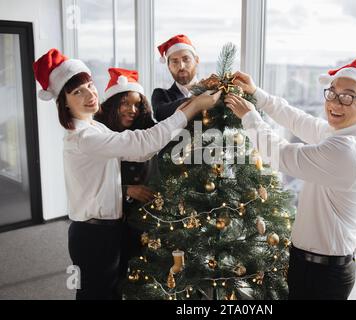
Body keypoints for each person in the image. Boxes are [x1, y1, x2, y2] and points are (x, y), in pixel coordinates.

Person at [33, 48, 221, 300]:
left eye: (90, 85)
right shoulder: (84, 138)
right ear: (64, 102)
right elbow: (142, 144)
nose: (90, 94)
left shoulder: (95, 127)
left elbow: (141, 152)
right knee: (95, 294)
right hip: (93, 236)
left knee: (109, 292)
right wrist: (193, 106)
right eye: (78, 91)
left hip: (106, 231)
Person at [225, 59, 356, 300]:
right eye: (332, 94)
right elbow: (299, 121)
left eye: (347, 97)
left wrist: (250, 116)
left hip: (324, 275)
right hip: (311, 264)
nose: (335, 103)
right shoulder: (343, 132)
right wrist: (257, 94)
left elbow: (282, 155)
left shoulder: (347, 151)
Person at [94, 67, 157, 285]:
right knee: (113, 277)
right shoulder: (97, 134)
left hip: (141, 217)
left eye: (137, 105)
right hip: (108, 221)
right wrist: (127, 190)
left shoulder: (144, 131)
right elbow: (92, 183)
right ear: (113, 103)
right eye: (125, 103)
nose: (132, 110)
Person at [152, 34, 200, 121]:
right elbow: (160, 114)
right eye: (175, 61)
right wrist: (199, 100)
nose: (181, 66)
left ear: (196, 60)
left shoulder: (211, 91)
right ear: (169, 66)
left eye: (186, 59)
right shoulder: (161, 95)